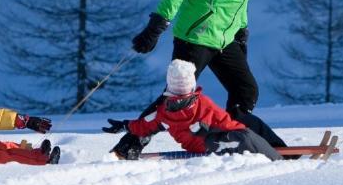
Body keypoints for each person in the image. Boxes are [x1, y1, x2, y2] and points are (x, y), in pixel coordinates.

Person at [112, 0, 286, 160]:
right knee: (175, 95)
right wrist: (157, 24)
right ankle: (131, 143)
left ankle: (232, 136)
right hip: (195, 36)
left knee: (246, 91)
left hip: (225, 40)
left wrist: (241, 31)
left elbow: (239, 1)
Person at [103, 60, 282, 160]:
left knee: (241, 134)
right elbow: (227, 123)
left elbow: (144, 126)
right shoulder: (203, 104)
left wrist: (125, 125)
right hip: (211, 145)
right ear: (192, 83)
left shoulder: (163, 113)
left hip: (195, 145)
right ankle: (277, 160)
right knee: (246, 134)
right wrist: (241, 133)